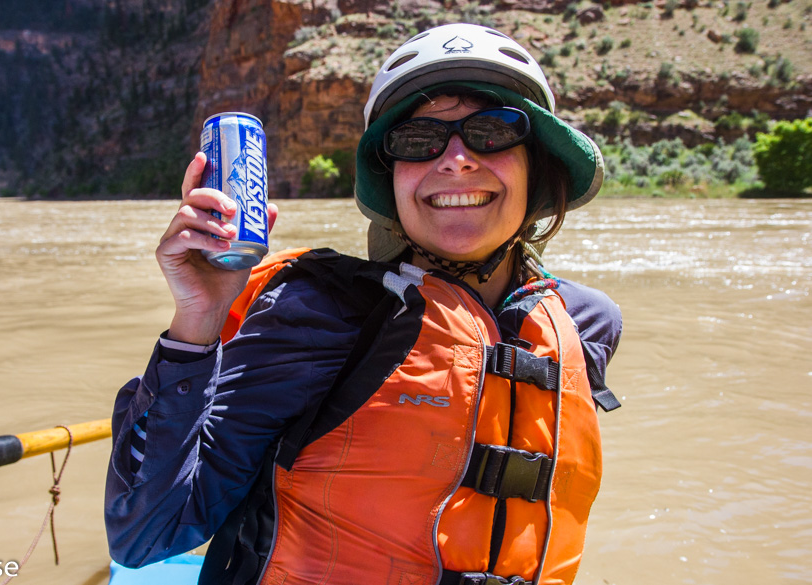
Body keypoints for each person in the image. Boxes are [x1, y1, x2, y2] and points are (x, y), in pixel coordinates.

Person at [105, 23, 622, 585]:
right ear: (390, 177)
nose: (455, 160)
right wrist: (197, 321)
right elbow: (145, 535)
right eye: (418, 139)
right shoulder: (317, 312)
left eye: (492, 131)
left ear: (537, 164)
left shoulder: (585, 321)